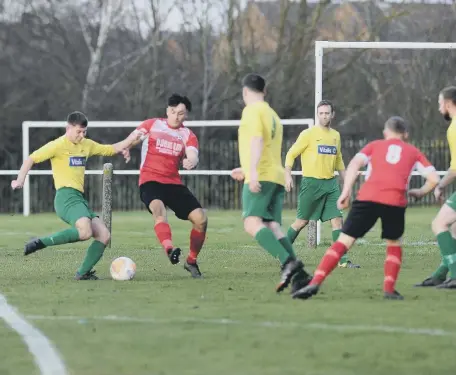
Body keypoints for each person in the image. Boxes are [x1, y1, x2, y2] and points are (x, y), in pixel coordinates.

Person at [292, 116, 440, 300]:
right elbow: (434, 179)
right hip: (394, 200)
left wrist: (345, 191)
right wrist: (420, 192)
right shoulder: (413, 151)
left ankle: (315, 283)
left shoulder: (374, 145)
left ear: (385, 132)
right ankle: (389, 289)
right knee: (394, 243)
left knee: (344, 241)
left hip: (368, 197)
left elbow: (354, 164)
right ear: (406, 134)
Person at [11, 111, 141, 280]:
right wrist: (20, 180)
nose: (82, 135)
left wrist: (132, 138)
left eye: (84, 132)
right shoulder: (57, 145)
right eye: (78, 131)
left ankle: (83, 273)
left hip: (79, 199)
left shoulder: (86, 145)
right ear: (68, 128)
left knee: (104, 235)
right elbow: (31, 158)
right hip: (65, 197)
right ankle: (41, 242)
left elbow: (112, 149)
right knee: (85, 231)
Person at [231, 73, 311, 293]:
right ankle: (301, 277)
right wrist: (248, 168)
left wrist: (253, 173)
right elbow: (265, 145)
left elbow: (257, 139)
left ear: (245, 92)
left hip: (262, 174)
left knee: (251, 223)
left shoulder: (251, 110)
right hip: (274, 175)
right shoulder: (273, 114)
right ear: (265, 91)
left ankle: (288, 262)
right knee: (272, 225)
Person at [124, 94, 207, 278]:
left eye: (182, 114)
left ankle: (191, 261)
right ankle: (170, 249)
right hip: (150, 180)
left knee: (201, 219)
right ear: (168, 110)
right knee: (158, 209)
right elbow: (133, 137)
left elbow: (193, 153)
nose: (177, 117)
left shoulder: (188, 135)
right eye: (174, 112)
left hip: (173, 183)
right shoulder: (152, 125)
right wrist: (125, 147)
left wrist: (191, 161)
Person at [284, 100, 359, 268]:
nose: (324, 116)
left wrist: (346, 181)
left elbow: (338, 160)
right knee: (301, 222)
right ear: (317, 114)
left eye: (327, 113)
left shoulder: (335, 136)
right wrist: (287, 174)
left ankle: (343, 260)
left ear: (332, 115)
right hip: (311, 184)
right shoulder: (308, 134)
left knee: (337, 221)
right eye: (321, 113)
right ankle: (283, 253)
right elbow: (291, 154)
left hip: (331, 184)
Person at [415, 86, 456, 289]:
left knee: (439, 224)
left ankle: (455, 276)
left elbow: (455, 168)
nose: (439, 107)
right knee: (454, 231)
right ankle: (440, 275)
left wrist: (439, 185)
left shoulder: (454, 127)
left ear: (448, 104)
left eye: (440, 103)